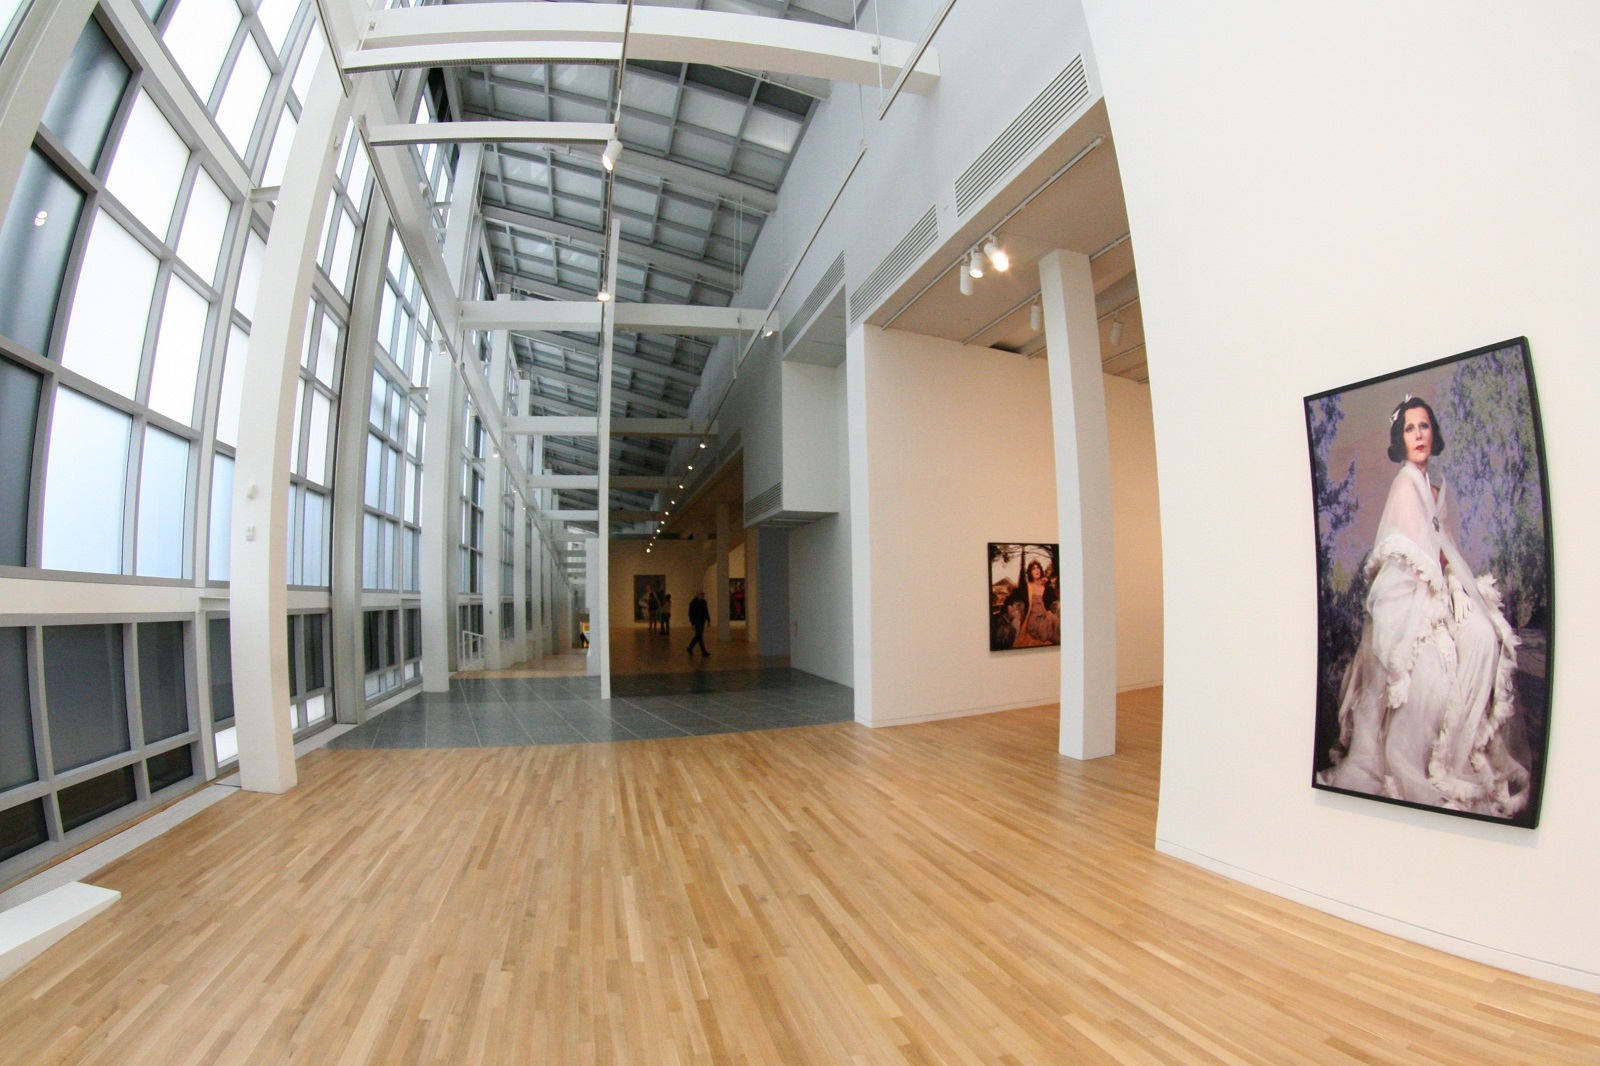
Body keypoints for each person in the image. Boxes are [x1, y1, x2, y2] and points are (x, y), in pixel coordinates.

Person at [1318, 397, 1530, 818]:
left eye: (1424, 426)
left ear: (1434, 433)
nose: (1418, 435)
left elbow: (1445, 549)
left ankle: (1466, 745)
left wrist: (1455, 586)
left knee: (1484, 636)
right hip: (1411, 600)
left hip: (1441, 591)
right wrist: (1439, 589)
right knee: (1432, 676)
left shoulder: (1437, 488)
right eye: (1410, 429)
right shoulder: (1403, 484)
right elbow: (1407, 556)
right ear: (1401, 439)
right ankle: (1439, 761)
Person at [1011, 559, 1060, 648]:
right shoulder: (1027, 586)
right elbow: (1014, 596)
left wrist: (1047, 582)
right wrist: (1010, 607)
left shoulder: (1044, 586)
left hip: (1044, 615)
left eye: (1038, 568)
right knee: (1054, 621)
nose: (1037, 570)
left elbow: (1054, 596)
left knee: (1056, 621)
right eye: (1033, 569)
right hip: (1033, 618)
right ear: (1030, 573)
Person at [686, 591, 710, 657]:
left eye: (703, 595)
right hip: (697, 621)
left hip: (702, 621)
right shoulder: (693, 603)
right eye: (702, 595)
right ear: (698, 595)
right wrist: (692, 623)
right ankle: (702, 650)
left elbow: (706, 611)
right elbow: (691, 613)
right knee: (699, 635)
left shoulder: (704, 602)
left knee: (699, 635)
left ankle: (690, 647)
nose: (703, 596)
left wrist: (708, 619)